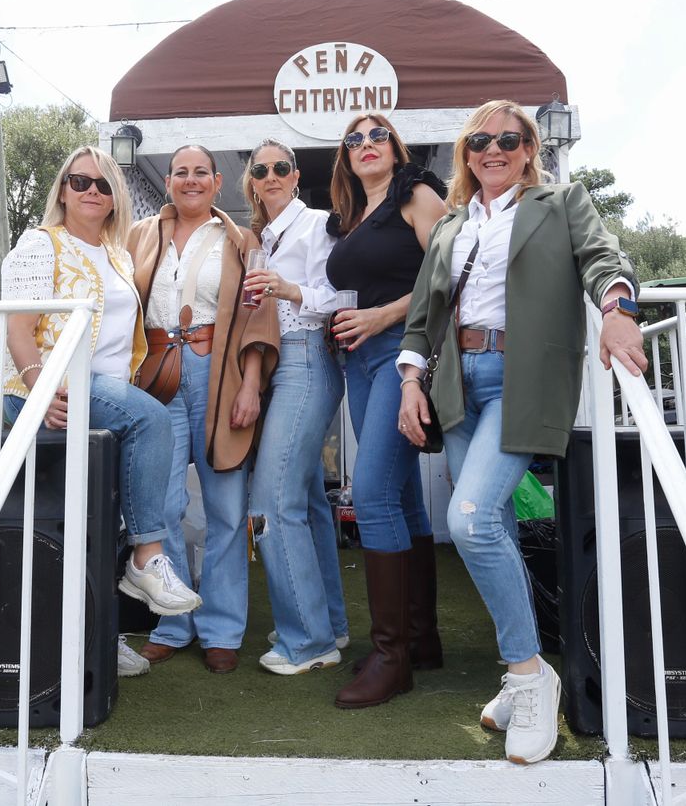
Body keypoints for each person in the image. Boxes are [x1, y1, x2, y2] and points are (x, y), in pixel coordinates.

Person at [396, 100, 647, 765]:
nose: (493, 148)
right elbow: (424, 316)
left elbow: (601, 258)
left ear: (529, 147)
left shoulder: (561, 203)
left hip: (521, 379)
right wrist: (410, 382)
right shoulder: (452, 223)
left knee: (470, 521)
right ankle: (522, 673)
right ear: (467, 152)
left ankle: (532, 677)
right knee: (496, 531)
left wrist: (618, 311)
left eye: (508, 138)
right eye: (480, 139)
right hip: (456, 387)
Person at [0, 146, 203, 635]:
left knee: (101, 520)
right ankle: (148, 558)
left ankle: (100, 645)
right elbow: (18, 329)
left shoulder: (115, 255)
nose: (92, 191)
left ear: (114, 199)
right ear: (63, 191)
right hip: (52, 385)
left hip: (105, 391)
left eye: (104, 185)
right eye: (80, 182)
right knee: (153, 419)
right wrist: (40, 389)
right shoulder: (40, 244)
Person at [128, 144, 279, 675]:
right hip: (154, 377)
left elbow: (259, 319)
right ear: (168, 181)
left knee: (226, 509)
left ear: (218, 183)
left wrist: (251, 385)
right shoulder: (139, 235)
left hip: (220, 375)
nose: (190, 180)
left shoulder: (242, 239)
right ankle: (172, 621)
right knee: (159, 505)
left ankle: (221, 628)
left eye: (201, 173)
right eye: (180, 172)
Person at [323, 113, 449, 709]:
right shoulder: (351, 218)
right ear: (345, 157)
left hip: (404, 356)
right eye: (354, 139)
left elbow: (449, 274)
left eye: (377, 136)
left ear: (395, 149)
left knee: (370, 493)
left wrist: (381, 316)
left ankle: (392, 657)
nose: (366, 144)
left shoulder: (417, 195)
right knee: (400, 499)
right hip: (360, 358)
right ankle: (421, 640)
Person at [237, 139, 349, 675]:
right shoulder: (263, 238)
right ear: (253, 182)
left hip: (308, 360)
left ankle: (307, 642)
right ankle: (330, 624)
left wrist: (288, 289)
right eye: (262, 170)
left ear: (296, 174)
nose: (272, 176)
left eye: (281, 167)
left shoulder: (319, 224)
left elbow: (345, 298)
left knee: (270, 502)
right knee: (306, 502)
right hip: (282, 363)